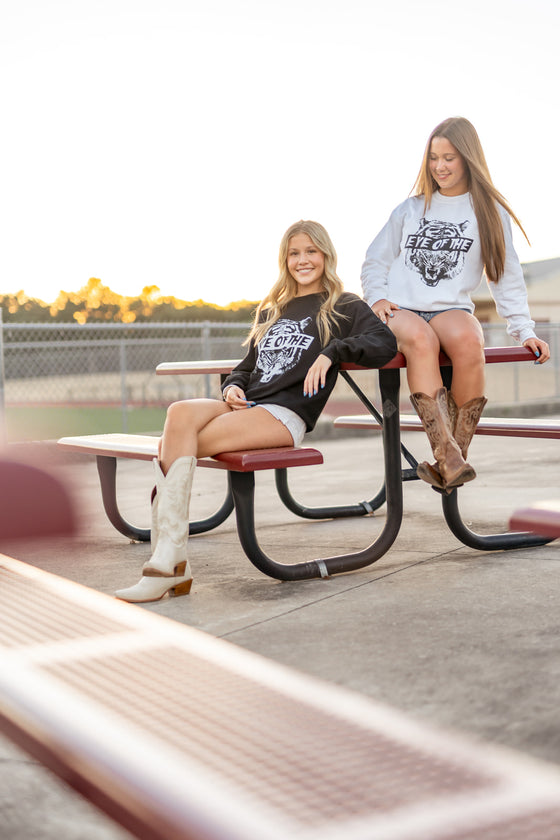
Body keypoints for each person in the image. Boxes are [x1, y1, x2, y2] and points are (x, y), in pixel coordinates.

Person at [116, 220, 397, 603]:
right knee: (180, 413)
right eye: (294, 252)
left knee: (176, 444)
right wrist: (232, 385)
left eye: (311, 251)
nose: (303, 260)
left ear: (326, 255)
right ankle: (169, 562)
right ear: (285, 259)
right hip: (248, 404)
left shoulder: (344, 306)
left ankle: (168, 564)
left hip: (283, 414)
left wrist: (332, 353)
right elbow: (247, 366)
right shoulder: (274, 310)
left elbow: (383, 342)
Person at [361, 116, 550, 492]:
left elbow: (506, 275)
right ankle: (447, 454)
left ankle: (452, 459)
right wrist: (377, 297)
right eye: (433, 158)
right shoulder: (411, 209)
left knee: (468, 338)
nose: (440, 166)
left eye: (448, 157)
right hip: (401, 308)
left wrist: (523, 329)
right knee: (422, 341)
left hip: (450, 308)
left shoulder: (489, 212)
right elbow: (375, 260)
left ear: (468, 158)